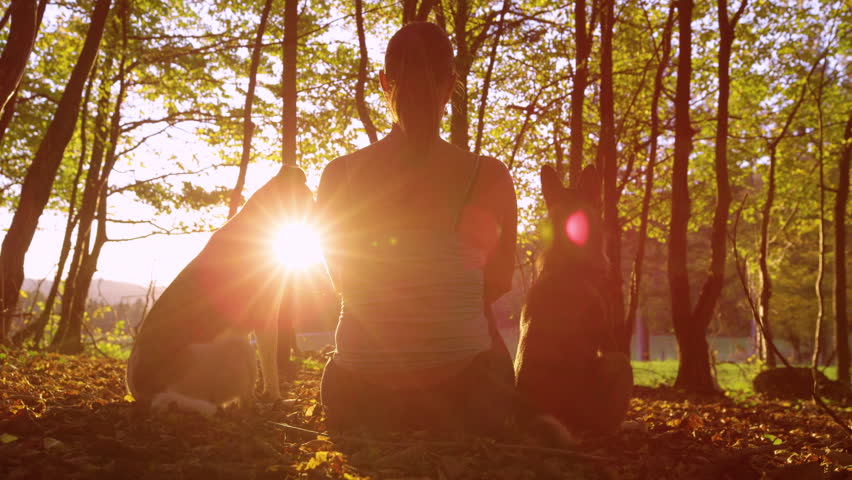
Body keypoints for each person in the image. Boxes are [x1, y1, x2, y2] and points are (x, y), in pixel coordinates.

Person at [316, 22, 517, 434]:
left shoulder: (338, 175)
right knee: (490, 344)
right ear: (451, 85)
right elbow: (496, 283)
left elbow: (341, 282)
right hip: (467, 400)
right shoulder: (490, 176)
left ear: (384, 83)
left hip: (358, 400)